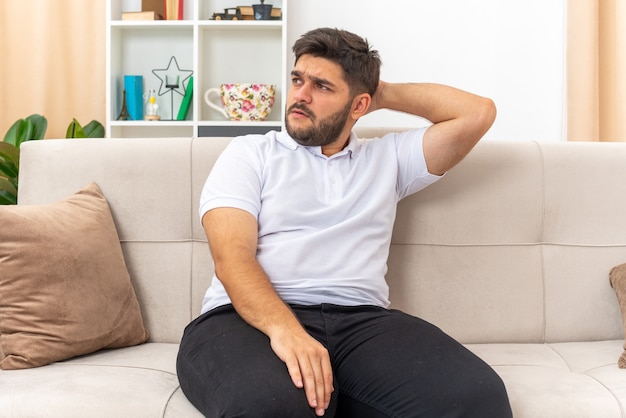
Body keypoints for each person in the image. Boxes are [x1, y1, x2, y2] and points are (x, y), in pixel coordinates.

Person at [177, 27, 512, 418]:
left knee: (479, 399)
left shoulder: (388, 159)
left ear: (359, 106)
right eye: (298, 79)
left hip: (361, 323)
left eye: (322, 86)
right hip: (244, 320)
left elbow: (478, 113)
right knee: (274, 408)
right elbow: (232, 258)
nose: (300, 95)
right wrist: (287, 332)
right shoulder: (251, 154)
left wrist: (378, 90)